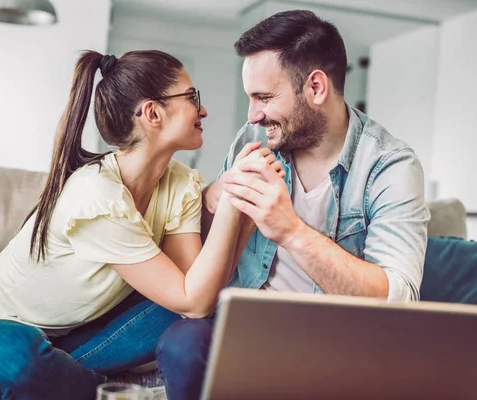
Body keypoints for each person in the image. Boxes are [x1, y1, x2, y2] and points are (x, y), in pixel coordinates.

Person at [0, 50, 282, 400]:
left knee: (194, 313)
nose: (203, 109)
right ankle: (119, 390)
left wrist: (241, 202)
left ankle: (79, 378)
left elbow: (198, 295)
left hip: (78, 337)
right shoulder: (97, 196)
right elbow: (193, 300)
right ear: (152, 113)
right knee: (19, 358)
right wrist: (229, 203)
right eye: (192, 97)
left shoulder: (180, 184)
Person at [156, 9, 430, 400]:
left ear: (316, 87)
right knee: (182, 343)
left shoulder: (390, 166)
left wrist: (290, 230)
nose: (252, 114)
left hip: (335, 344)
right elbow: (207, 249)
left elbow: (398, 300)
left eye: (264, 97)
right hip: (241, 328)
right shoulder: (255, 136)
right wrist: (214, 198)